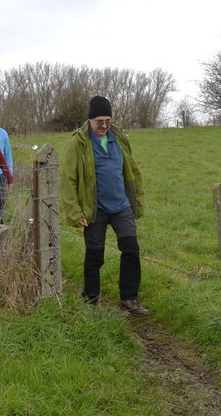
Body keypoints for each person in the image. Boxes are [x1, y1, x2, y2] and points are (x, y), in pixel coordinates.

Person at [60, 96, 148, 316]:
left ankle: (129, 297)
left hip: (121, 206)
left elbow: (133, 172)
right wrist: (75, 212)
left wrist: (136, 202)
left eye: (107, 120)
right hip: (95, 209)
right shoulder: (79, 143)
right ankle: (91, 300)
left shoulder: (119, 139)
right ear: (90, 119)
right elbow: (68, 180)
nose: (104, 125)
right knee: (94, 255)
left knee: (131, 249)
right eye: (99, 120)